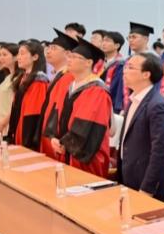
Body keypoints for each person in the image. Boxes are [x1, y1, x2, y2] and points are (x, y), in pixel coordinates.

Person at [45, 37, 113, 177]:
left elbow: (87, 126)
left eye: (74, 57)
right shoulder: (71, 86)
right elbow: (57, 113)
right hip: (66, 151)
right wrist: (53, 138)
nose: (69, 60)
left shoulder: (97, 90)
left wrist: (64, 144)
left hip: (85, 156)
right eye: (69, 56)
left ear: (89, 62)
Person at [117, 53, 164, 199]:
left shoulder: (157, 105)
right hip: (129, 176)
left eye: (130, 67)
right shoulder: (134, 99)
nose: (125, 71)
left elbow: (160, 151)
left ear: (146, 74)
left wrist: (148, 187)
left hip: (146, 185)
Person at [39, 30, 78, 160]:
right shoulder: (59, 75)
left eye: (54, 48)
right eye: (48, 48)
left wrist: (54, 137)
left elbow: (61, 111)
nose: (48, 51)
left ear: (67, 54)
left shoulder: (69, 77)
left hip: (56, 139)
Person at [8, 40, 49, 149]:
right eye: (18, 54)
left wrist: (26, 140)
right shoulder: (23, 77)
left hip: (27, 134)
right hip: (17, 127)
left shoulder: (39, 81)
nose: (18, 57)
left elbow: (33, 114)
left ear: (35, 57)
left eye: (22, 54)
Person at [0, 43, 18, 136]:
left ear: (15, 57)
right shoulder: (8, 77)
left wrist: (2, 124)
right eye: (1, 55)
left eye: (5, 55)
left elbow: (15, 105)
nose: (1, 58)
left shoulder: (19, 78)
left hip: (8, 122)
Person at [100, 31, 126, 113]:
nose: (103, 43)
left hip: (111, 104)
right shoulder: (99, 63)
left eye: (107, 41)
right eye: (103, 40)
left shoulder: (121, 65)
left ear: (117, 45)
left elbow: (119, 90)